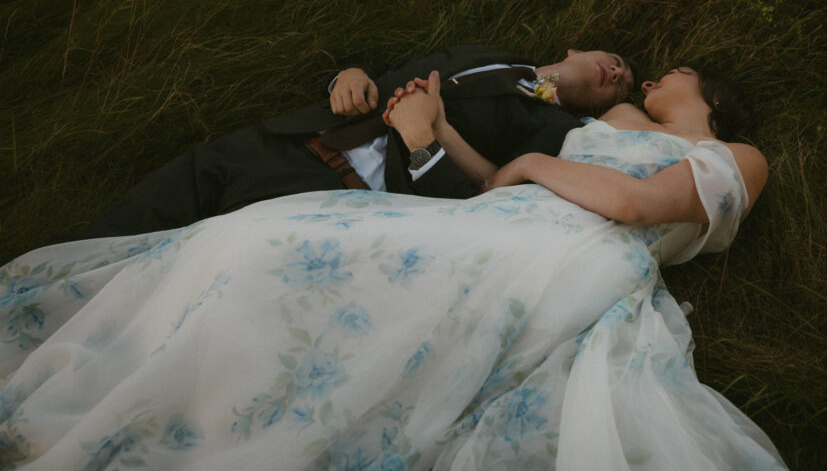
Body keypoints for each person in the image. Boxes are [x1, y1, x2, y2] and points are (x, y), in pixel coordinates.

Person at [0, 63, 786, 469]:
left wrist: (527, 168)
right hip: (502, 217)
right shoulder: (609, 119)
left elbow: (637, 205)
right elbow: (494, 177)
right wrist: (443, 127)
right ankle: (175, 376)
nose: (655, 79)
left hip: (578, 256)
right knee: (260, 241)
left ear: (710, 92)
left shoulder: (735, 157)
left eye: (674, 72)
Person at [67, 44, 634, 240]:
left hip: (331, 195)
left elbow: (490, 192)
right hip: (284, 140)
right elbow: (394, 68)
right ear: (578, 47)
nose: (619, 74)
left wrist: (432, 130)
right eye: (616, 61)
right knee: (115, 231)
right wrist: (348, 76)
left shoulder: (557, 133)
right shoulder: (488, 49)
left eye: (624, 84)